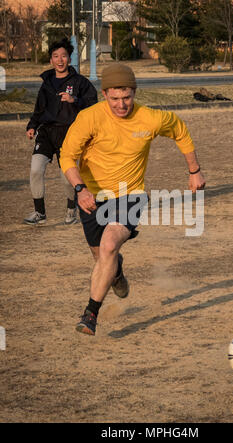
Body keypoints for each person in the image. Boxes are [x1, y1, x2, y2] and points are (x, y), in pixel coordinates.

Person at [60, 63, 206, 336]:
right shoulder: (89, 118)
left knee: (108, 245)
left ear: (134, 93)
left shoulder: (149, 118)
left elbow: (180, 130)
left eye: (126, 97)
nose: (121, 104)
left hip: (130, 194)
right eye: (115, 98)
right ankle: (116, 273)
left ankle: (90, 314)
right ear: (104, 95)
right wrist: (80, 189)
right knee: (101, 256)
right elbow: (67, 156)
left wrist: (194, 171)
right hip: (92, 196)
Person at [24, 38, 98, 226]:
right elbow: (38, 110)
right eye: (56, 56)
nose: (60, 60)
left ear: (69, 58)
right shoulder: (46, 83)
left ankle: (71, 211)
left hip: (69, 134)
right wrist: (32, 126)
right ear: (51, 60)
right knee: (35, 170)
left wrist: (75, 100)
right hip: (46, 133)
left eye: (63, 56)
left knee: (67, 177)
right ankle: (40, 213)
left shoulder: (80, 82)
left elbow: (93, 106)